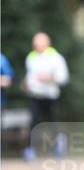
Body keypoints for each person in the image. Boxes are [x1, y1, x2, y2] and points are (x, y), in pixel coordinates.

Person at [22, 33, 69, 161]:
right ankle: (29, 149)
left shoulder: (55, 57)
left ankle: (58, 145)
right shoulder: (31, 57)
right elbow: (30, 76)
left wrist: (49, 78)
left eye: (39, 42)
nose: (36, 45)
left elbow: (63, 77)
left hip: (50, 95)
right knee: (33, 122)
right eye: (35, 42)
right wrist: (26, 83)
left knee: (51, 122)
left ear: (47, 43)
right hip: (34, 95)